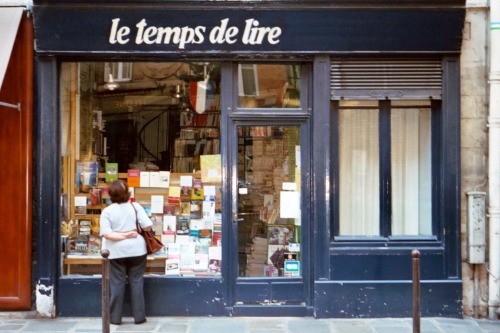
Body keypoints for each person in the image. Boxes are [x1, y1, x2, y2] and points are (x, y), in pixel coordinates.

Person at [100, 179, 153, 325]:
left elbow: (108, 235)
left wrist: (122, 235)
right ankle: (140, 317)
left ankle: (115, 319)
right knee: (137, 282)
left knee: (117, 283)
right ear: (127, 193)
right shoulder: (135, 207)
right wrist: (129, 234)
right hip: (137, 250)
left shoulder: (107, 211)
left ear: (111, 195)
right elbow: (148, 226)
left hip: (115, 252)